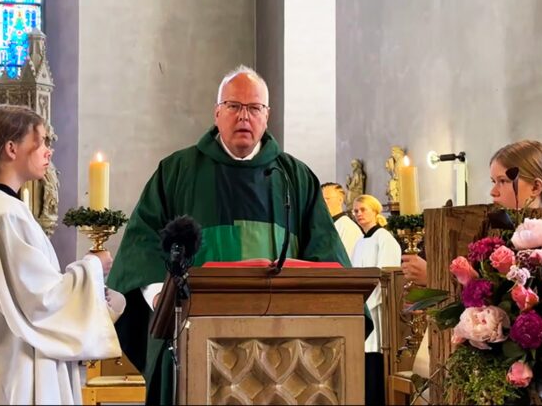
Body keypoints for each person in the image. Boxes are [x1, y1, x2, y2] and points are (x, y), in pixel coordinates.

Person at [106, 65, 354, 406]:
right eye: (234, 106)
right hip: (191, 332)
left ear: (267, 116)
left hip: (282, 342)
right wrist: (163, 298)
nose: (244, 116)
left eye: (254, 108)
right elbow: (142, 245)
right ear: (217, 112)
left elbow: (327, 255)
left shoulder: (295, 177)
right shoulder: (177, 171)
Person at [0, 104, 125, 405]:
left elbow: (30, 293)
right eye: (40, 141)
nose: (48, 152)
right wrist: (93, 267)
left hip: (12, 370)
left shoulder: (2, 210)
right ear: (12, 148)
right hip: (14, 378)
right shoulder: (2, 215)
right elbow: (39, 303)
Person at [400, 139, 542, 400]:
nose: (493, 191)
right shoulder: (499, 231)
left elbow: (505, 305)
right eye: (493, 181)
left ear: (536, 186)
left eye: (502, 181)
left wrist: (432, 277)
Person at [350, 194, 402, 405]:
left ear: (375, 211)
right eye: (355, 211)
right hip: (361, 306)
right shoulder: (360, 242)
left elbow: (385, 276)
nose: (359, 214)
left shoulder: (384, 238)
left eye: (363, 209)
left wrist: (366, 304)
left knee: (374, 357)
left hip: (376, 307)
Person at [321, 182, 363, 258]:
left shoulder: (348, 228)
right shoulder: (324, 225)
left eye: (327, 199)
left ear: (340, 200)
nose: (323, 202)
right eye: (321, 199)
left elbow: (346, 259)